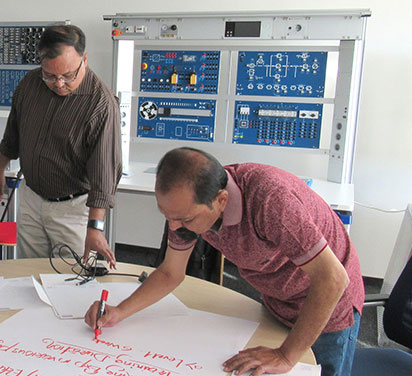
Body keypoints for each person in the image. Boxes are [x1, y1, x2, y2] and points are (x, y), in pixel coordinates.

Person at [85, 147, 364, 376]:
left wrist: (285, 355)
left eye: (185, 219)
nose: (175, 225)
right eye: (167, 215)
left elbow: (333, 279)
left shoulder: (271, 202)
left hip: (328, 307)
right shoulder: (187, 207)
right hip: (278, 301)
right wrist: (120, 311)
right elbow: (171, 272)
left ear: (221, 200)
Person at [0, 24, 122, 266]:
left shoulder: (101, 104)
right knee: (28, 273)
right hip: (31, 198)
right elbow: (13, 134)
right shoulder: (30, 84)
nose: (59, 83)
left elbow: (104, 175)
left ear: (85, 59)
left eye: (68, 75)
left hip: (72, 209)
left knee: (69, 279)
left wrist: (95, 227)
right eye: (50, 75)